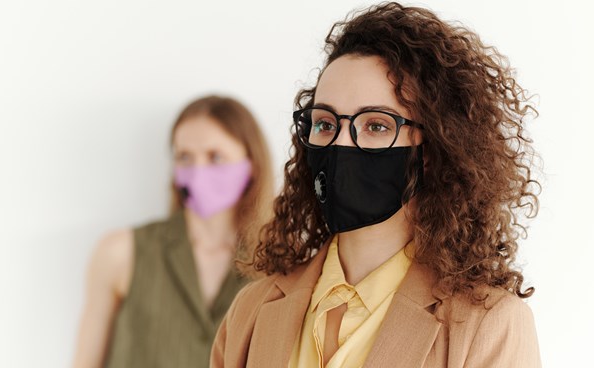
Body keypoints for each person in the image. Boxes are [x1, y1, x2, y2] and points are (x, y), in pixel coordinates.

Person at [211, 3, 541, 368]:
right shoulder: (251, 309)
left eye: (376, 126)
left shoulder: (488, 323)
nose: (341, 145)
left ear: (431, 150)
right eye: (325, 124)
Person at [73, 95, 274, 368]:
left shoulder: (278, 264)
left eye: (215, 156)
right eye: (184, 157)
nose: (198, 171)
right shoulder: (121, 252)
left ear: (251, 165)